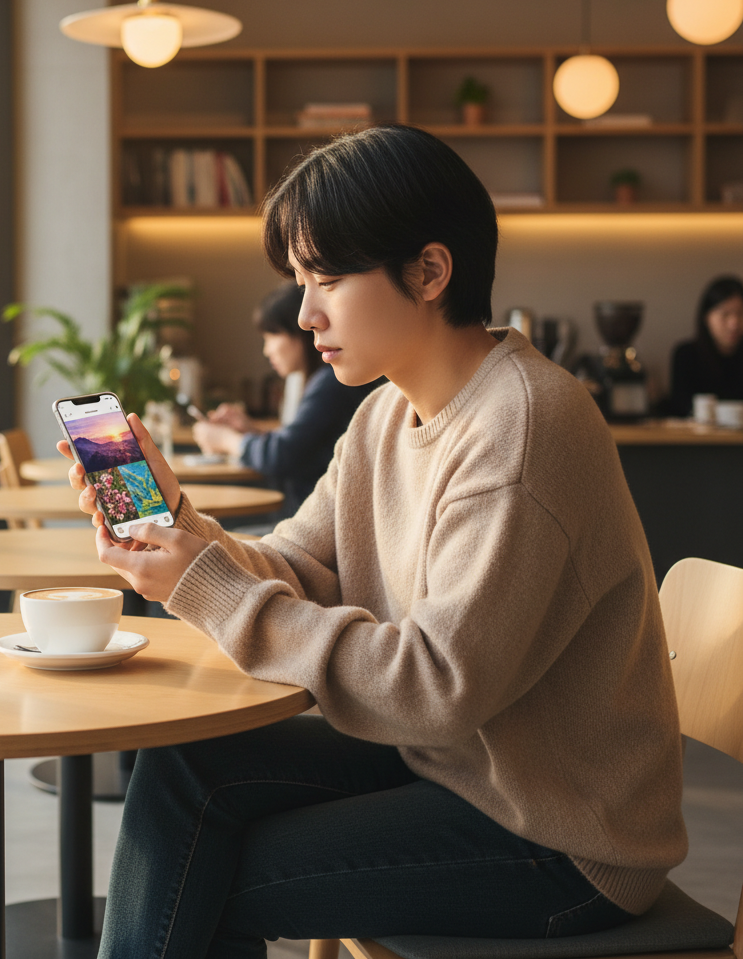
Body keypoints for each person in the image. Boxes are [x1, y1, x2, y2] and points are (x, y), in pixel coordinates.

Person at [60, 125, 687, 958]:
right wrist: (184, 529)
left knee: (205, 871)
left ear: (429, 272)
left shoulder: (523, 431)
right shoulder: (388, 412)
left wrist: (203, 584)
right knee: (183, 770)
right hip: (455, 767)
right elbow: (301, 565)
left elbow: (433, 685)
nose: (305, 311)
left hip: (563, 834)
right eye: (298, 280)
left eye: (328, 278)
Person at [193, 282, 382, 517]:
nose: (267, 350)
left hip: (315, 525)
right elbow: (301, 447)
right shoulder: (320, 380)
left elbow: (282, 456)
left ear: (299, 333)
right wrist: (251, 431)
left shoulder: (332, 382)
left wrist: (226, 440)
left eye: (271, 336)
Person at [667, 274, 743, 416]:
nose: (734, 324)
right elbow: (681, 406)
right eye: (725, 314)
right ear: (707, 317)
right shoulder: (686, 355)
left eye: (740, 314)